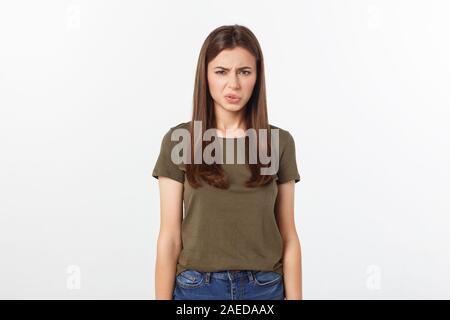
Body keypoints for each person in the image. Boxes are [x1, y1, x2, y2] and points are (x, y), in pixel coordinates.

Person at [152, 24, 303, 300]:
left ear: (257, 76)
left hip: (265, 289)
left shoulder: (278, 143)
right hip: (197, 289)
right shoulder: (179, 140)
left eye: (244, 72)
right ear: (205, 75)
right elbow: (170, 238)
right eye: (221, 72)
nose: (233, 84)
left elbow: (289, 236)